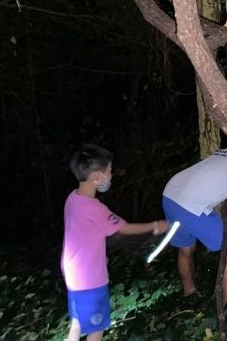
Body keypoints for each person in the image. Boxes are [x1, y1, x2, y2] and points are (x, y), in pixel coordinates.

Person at [62, 144, 168, 341]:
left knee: (77, 322)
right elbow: (124, 228)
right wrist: (156, 225)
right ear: (96, 176)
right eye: (109, 170)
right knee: (97, 328)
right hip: (90, 279)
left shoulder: (73, 199)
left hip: (73, 274)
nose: (111, 175)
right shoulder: (95, 208)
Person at [161, 144, 227, 312]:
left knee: (186, 248)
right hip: (190, 204)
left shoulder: (226, 151)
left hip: (170, 194)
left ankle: (189, 294)